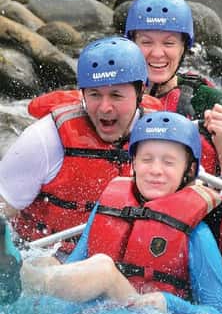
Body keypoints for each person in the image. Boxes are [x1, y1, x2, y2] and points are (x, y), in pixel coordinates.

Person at [0, 111, 222, 314]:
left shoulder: (197, 233)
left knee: (103, 269)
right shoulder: (109, 207)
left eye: (169, 162)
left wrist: (170, 303)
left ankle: (23, 278)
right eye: (146, 159)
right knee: (48, 261)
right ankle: (22, 275)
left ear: (189, 170)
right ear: (133, 163)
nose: (155, 170)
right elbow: (73, 268)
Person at [0, 36, 156, 261]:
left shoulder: (162, 136)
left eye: (116, 95)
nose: (105, 108)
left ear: (140, 92)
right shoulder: (45, 138)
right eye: (94, 95)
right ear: (82, 93)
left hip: (128, 263)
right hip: (47, 259)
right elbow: (3, 210)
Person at [124, 0, 222, 175]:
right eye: (146, 42)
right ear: (131, 44)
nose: (157, 53)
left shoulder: (208, 100)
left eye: (169, 43)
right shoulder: (110, 95)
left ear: (183, 47)